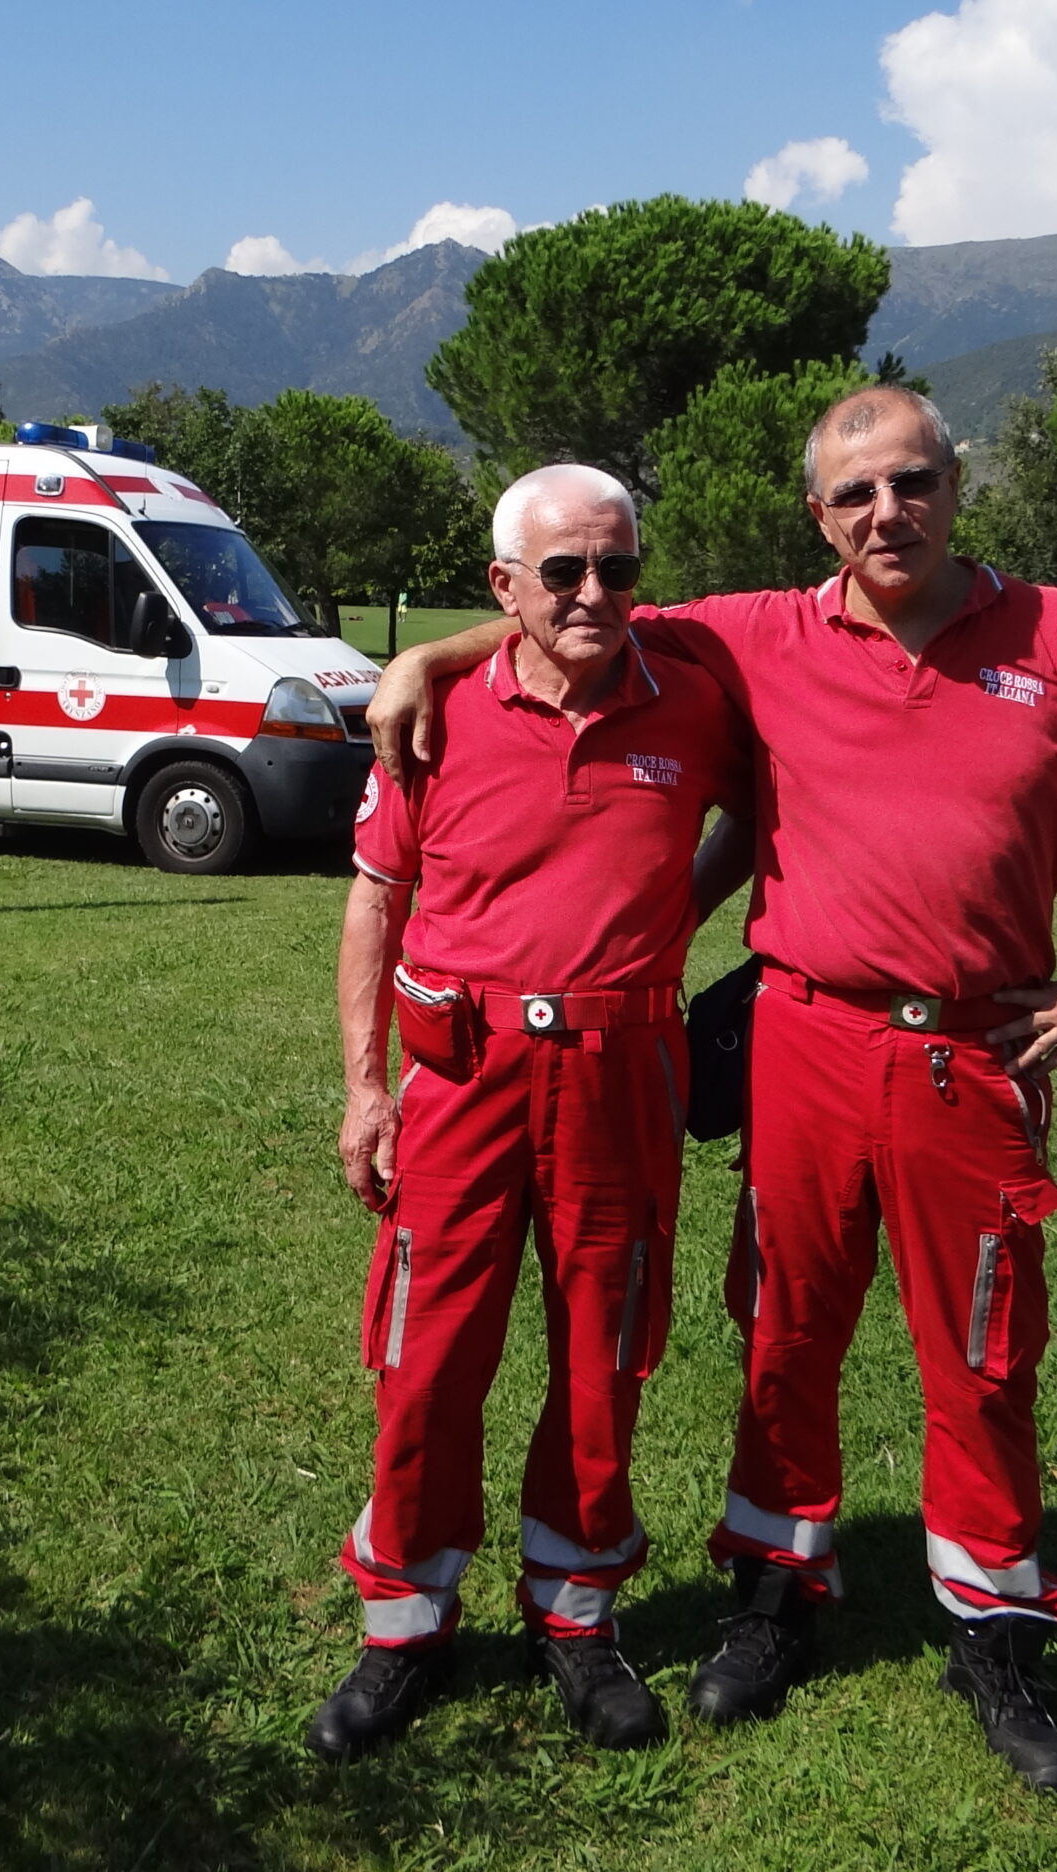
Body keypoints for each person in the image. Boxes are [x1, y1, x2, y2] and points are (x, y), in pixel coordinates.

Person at [365, 386, 1057, 1793]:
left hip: (973, 1052)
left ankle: (994, 1637)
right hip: (805, 1039)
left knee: (985, 1352)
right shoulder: (764, 634)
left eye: (913, 483)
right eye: (856, 496)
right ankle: (773, 1599)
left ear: (956, 484)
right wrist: (433, 657)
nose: (888, 514)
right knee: (782, 1330)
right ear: (820, 519)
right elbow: (578, 613)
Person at [311, 464, 752, 1761]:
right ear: (503, 587)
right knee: (427, 1354)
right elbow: (374, 900)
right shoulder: (436, 713)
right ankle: (404, 1627)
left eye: (617, 567)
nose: (594, 593)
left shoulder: (696, 696)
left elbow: (761, 816)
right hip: (463, 1085)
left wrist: (673, 910)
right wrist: (363, 1084)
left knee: (605, 1350)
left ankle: (578, 1619)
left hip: (621, 1078)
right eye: (562, 571)